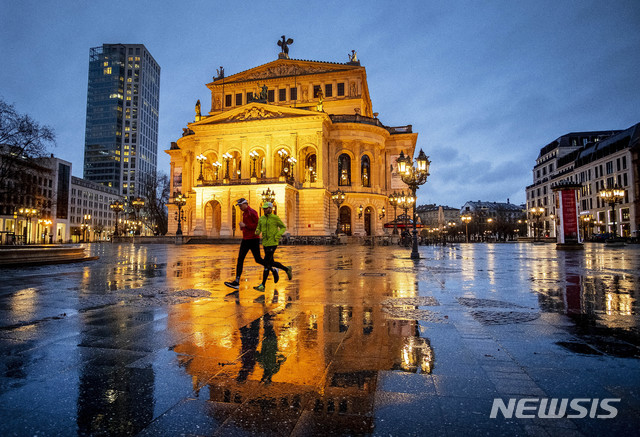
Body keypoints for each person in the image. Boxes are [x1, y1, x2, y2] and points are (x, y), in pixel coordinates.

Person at [224, 198, 278, 289]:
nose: (240, 207)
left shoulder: (253, 212)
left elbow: (257, 225)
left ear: (245, 204)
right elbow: (248, 226)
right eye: (239, 206)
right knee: (240, 259)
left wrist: (245, 226)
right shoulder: (244, 213)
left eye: (240, 205)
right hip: (245, 239)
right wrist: (243, 227)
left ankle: (273, 269)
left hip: (253, 239)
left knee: (258, 259)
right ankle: (237, 281)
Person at [253, 201, 292, 292]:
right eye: (264, 208)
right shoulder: (261, 218)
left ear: (271, 209)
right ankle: (286, 269)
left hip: (273, 242)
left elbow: (283, 227)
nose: (265, 210)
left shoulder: (275, 218)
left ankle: (262, 285)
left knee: (266, 264)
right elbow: (259, 227)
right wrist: (257, 231)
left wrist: (278, 235)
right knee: (271, 262)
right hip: (265, 243)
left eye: (266, 208)